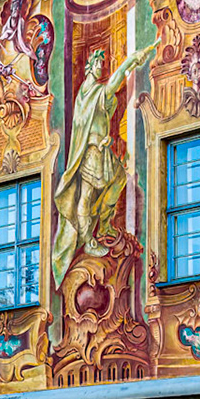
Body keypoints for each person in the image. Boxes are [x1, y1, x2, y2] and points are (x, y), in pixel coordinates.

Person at [51, 43, 155, 284]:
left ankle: (105, 225)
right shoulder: (90, 93)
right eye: (98, 64)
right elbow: (112, 86)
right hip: (91, 155)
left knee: (118, 179)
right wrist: (130, 62)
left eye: (101, 64)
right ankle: (88, 239)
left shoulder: (88, 95)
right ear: (89, 67)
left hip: (103, 152)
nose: (101, 68)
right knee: (85, 198)